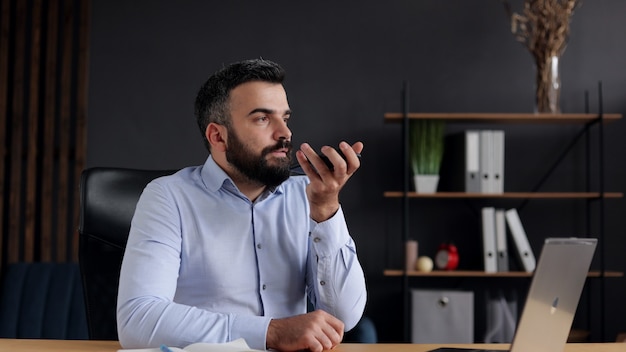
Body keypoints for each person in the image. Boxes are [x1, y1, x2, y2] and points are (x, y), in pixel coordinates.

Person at [116, 58, 367, 352]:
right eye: (262, 118)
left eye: (285, 118)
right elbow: (138, 321)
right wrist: (270, 332)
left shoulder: (311, 195)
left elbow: (343, 318)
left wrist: (325, 211)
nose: (285, 133)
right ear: (218, 136)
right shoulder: (168, 198)